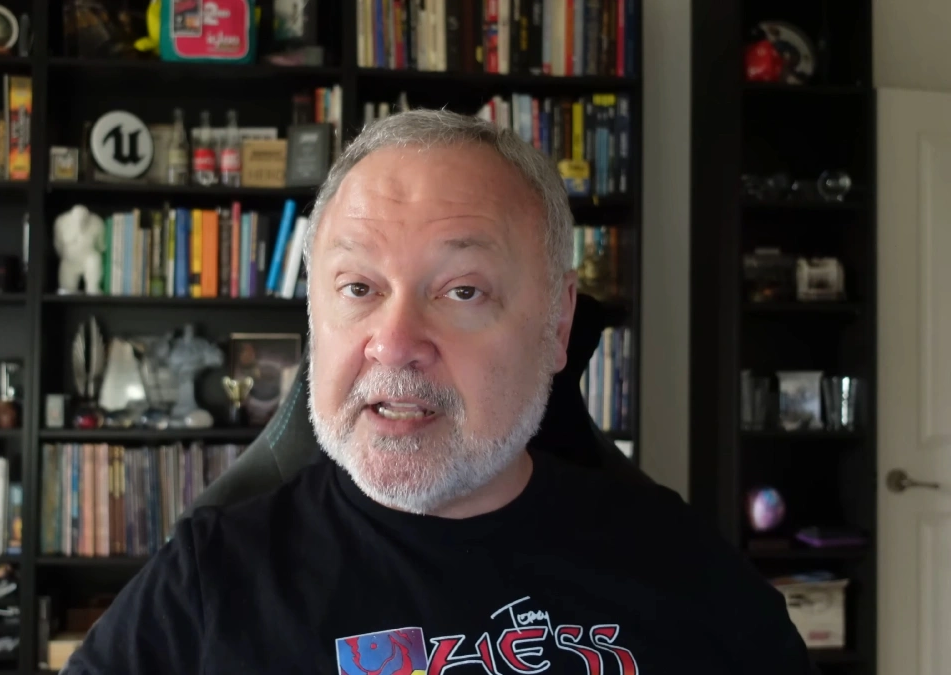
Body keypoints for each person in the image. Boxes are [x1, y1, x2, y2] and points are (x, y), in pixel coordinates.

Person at [60, 109, 814, 674]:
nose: (393, 342)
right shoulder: (211, 575)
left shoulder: (677, 564)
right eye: (358, 286)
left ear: (557, 324)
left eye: (460, 290)